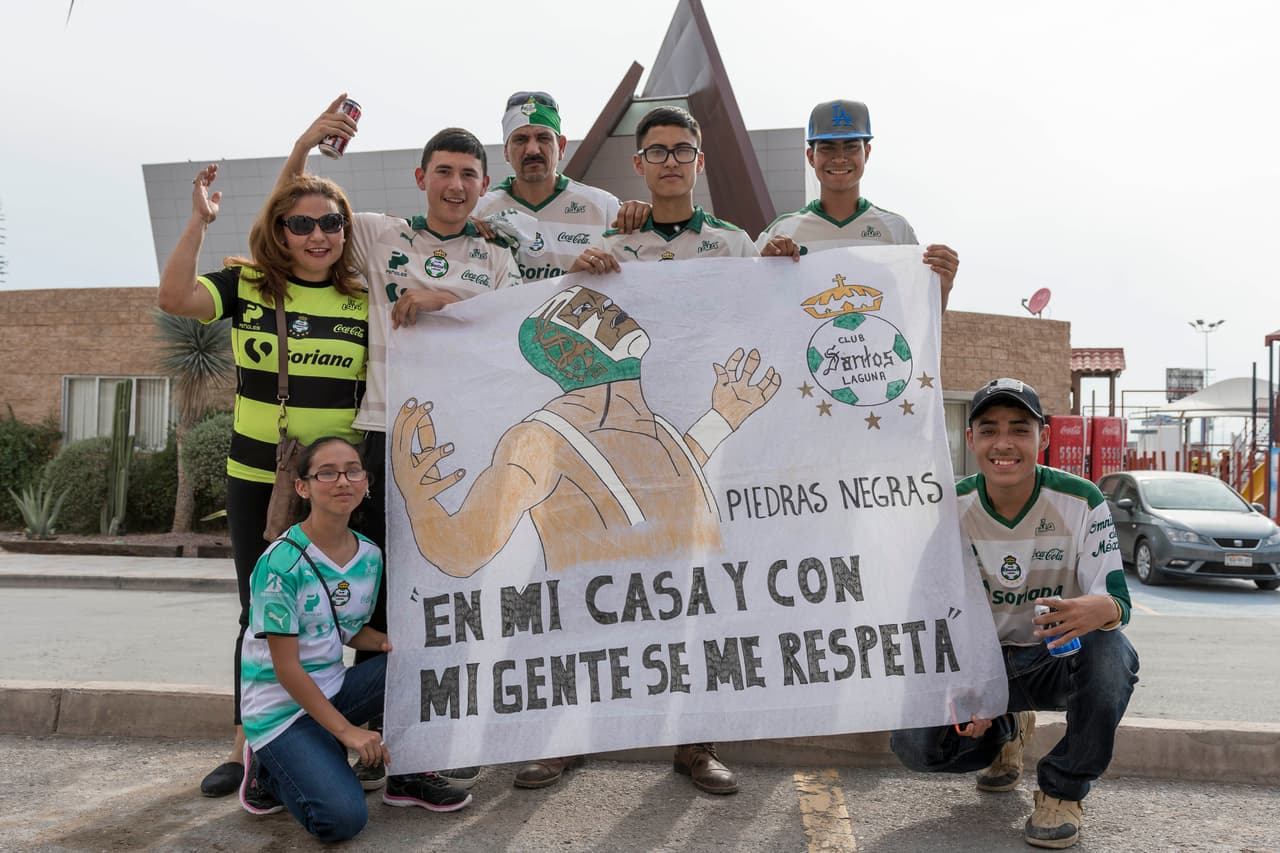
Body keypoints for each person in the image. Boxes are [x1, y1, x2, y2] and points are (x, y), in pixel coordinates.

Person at [278, 95, 520, 795]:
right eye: (443, 171)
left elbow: (515, 340)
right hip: (384, 433)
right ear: (421, 178)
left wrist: (446, 303)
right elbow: (296, 209)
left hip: (465, 443)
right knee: (382, 606)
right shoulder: (382, 234)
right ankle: (372, 749)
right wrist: (306, 140)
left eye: (469, 174)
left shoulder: (498, 258)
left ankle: (420, 757)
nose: (455, 185)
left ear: (483, 183)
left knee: (449, 595)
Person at [157, 165, 370, 798]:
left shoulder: (364, 295)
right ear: (279, 231)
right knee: (261, 613)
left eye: (330, 223)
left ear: (345, 231)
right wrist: (199, 221)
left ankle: (339, 737)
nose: (317, 235)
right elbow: (173, 298)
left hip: (342, 483)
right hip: (260, 479)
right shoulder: (251, 285)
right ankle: (245, 746)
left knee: (352, 611)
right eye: (300, 223)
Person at [889, 378, 1139, 849]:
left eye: (1020, 429)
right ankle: (1006, 730)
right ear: (971, 439)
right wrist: (962, 688)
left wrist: (1096, 607)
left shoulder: (1082, 500)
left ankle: (1062, 792)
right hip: (982, 665)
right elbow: (931, 614)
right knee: (915, 748)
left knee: (1112, 653)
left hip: (1051, 660)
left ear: (1042, 436)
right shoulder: (949, 509)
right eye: (989, 430)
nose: (1004, 444)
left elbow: (1118, 601)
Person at [237, 436, 470, 841]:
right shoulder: (280, 562)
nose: (342, 480)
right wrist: (348, 732)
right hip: (280, 711)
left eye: (352, 470)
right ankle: (267, 768)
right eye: (326, 472)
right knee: (341, 821)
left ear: (366, 483)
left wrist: (389, 643)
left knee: (421, 662)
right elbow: (286, 667)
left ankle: (407, 776)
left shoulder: (368, 555)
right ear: (303, 487)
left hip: (332, 690)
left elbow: (345, 629)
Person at [756, 99, 959, 310]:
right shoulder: (781, 233)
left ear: (867, 152)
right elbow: (751, 311)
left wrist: (943, 286)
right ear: (810, 157)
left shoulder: (897, 231)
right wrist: (763, 269)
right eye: (827, 148)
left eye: (851, 147)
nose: (840, 158)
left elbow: (918, 316)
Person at [472, 91, 649, 281]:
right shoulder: (478, 211)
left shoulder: (605, 207)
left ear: (562, 147)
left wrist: (647, 214)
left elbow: (647, 261)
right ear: (506, 151)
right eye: (520, 139)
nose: (532, 149)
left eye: (543, 138)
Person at [574, 106, 759, 269]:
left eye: (683, 150)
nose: (671, 162)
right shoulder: (611, 247)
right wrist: (576, 276)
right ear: (639, 164)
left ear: (699, 162)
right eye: (657, 152)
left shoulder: (735, 244)